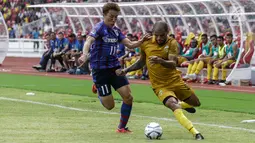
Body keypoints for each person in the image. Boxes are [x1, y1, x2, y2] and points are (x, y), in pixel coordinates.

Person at [116, 21, 204, 140]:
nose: (158, 38)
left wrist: (161, 61)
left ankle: (182, 105)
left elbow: (173, 64)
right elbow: (142, 62)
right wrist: (126, 70)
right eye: (156, 35)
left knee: (196, 103)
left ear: (167, 33)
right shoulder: (146, 42)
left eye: (161, 35)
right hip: (160, 85)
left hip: (175, 81)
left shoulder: (172, 43)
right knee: (172, 105)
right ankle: (195, 132)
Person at [80, 3, 150, 133]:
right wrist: (84, 55)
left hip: (114, 68)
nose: (113, 20)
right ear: (104, 15)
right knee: (110, 106)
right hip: (100, 71)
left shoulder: (116, 31)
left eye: (116, 17)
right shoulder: (99, 28)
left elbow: (129, 44)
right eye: (111, 17)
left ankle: (121, 127)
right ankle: (97, 87)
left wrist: (141, 41)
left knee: (128, 97)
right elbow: (89, 41)